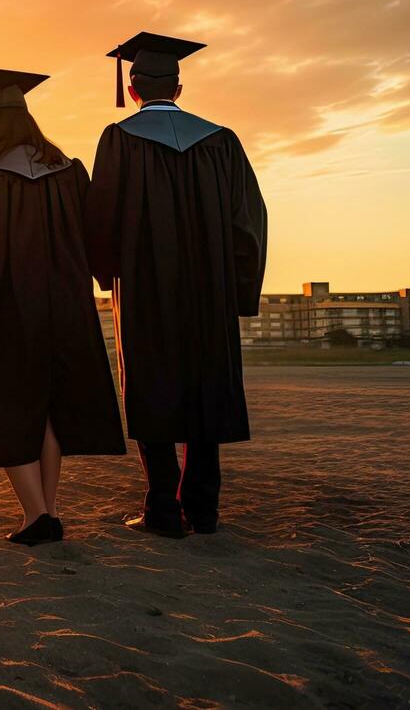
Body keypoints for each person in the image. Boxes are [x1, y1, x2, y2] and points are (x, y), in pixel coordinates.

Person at [87, 32, 267, 538]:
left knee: (153, 387)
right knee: (205, 390)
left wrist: (108, 274)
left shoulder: (119, 139)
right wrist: (237, 287)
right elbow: (248, 222)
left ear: (133, 86)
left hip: (146, 291)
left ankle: (163, 509)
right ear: (179, 87)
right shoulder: (222, 141)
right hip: (209, 293)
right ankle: (204, 510)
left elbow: (101, 218)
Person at [0, 70, 125, 547]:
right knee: (47, 407)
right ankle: (47, 510)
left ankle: (36, 514)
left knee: (3, 406)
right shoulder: (69, 171)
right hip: (64, 308)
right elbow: (93, 239)